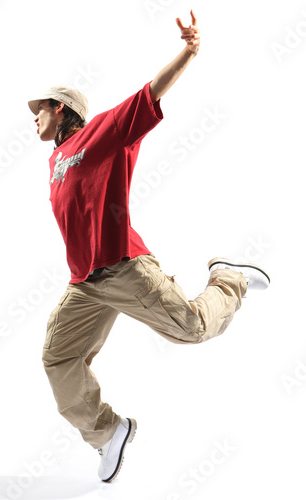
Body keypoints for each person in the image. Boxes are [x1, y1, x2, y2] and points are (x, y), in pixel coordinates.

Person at [28, 11, 270, 483]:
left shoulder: (100, 133)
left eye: (39, 108)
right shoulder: (55, 160)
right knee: (58, 359)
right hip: (85, 285)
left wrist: (188, 51)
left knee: (194, 328)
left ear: (61, 109)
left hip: (124, 268)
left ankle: (229, 277)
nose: (32, 117)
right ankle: (109, 433)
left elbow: (150, 93)